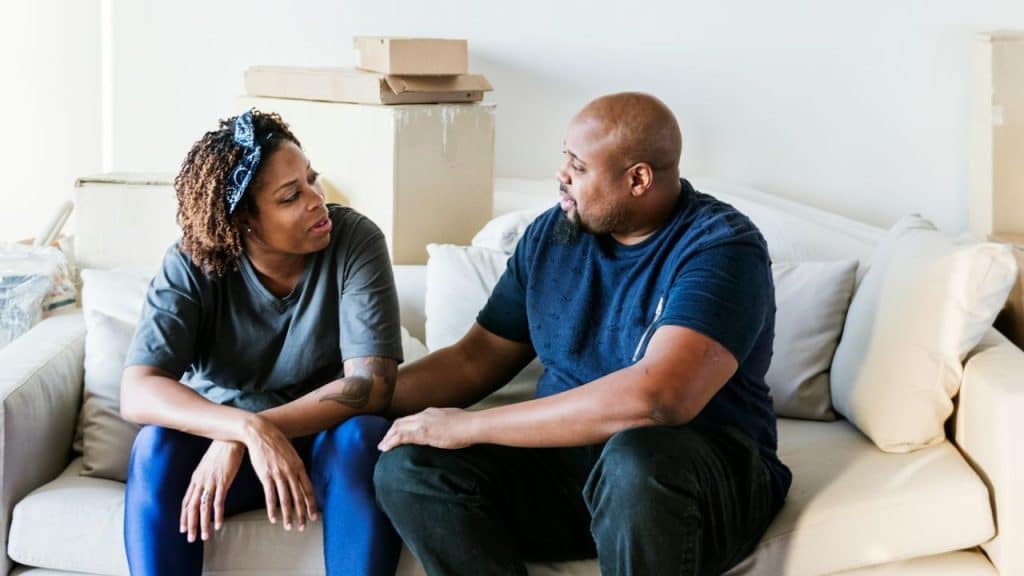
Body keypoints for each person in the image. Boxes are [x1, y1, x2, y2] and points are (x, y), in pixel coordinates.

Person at [374, 92, 791, 575]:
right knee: (410, 467)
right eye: (564, 158)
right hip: (572, 470)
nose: (562, 174)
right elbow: (476, 357)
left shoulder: (721, 248)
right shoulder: (553, 234)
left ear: (638, 179)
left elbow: (659, 398)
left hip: (696, 477)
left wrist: (468, 426)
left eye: (578, 165)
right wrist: (360, 396)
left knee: (636, 457)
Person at [120, 109, 403, 576]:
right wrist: (241, 430)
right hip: (225, 461)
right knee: (156, 447)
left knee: (364, 436)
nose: (317, 200)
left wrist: (259, 429)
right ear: (244, 220)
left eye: (312, 179)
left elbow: (372, 385)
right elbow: (138, 390)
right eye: (291, 196)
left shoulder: (354, 240)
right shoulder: (191, 264)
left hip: (322, 448)